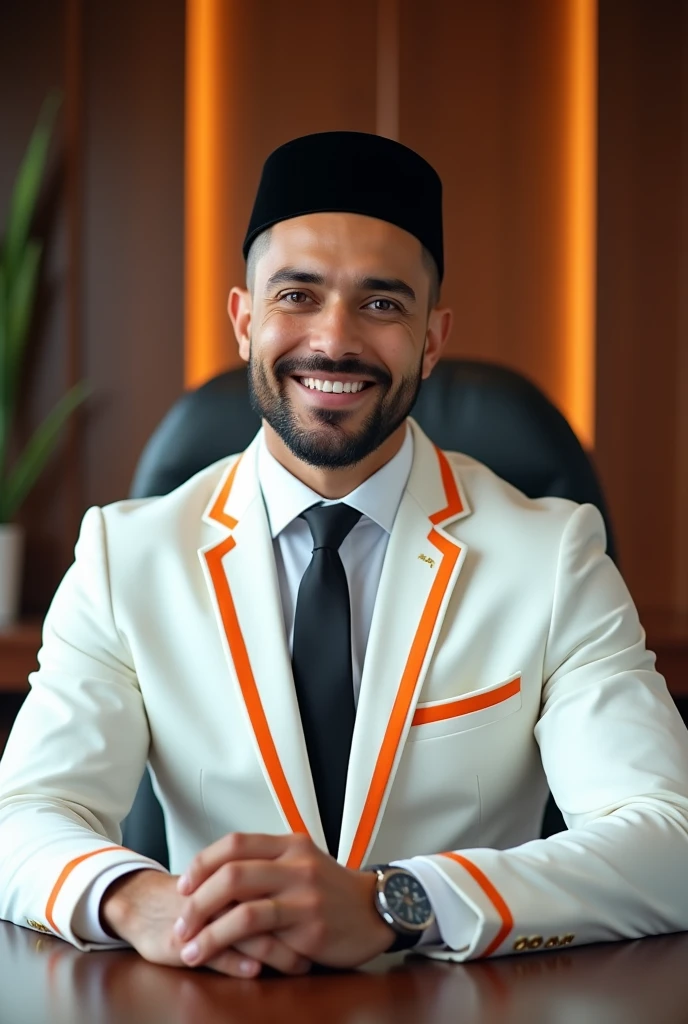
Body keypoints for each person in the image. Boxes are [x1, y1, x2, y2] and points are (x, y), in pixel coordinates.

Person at [1, 131, 687, 979]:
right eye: (297, 294)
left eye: (382, 303)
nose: (334, 339)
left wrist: (395, 903)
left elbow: (670, 839)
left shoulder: (552, 555)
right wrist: (143, 900)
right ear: (244, 320)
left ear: (432, 340)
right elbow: (25, 811)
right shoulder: (125, 554)